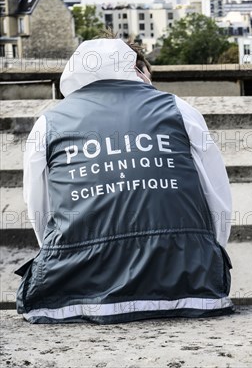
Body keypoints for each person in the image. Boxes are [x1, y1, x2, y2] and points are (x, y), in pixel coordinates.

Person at [18, 38, 233, 323]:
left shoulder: (49, 122)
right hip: (191, 284)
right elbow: (216, 196)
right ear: (138, 70)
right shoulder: (179, 109)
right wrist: (207, 255)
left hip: (72, 290)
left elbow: (39, 208)